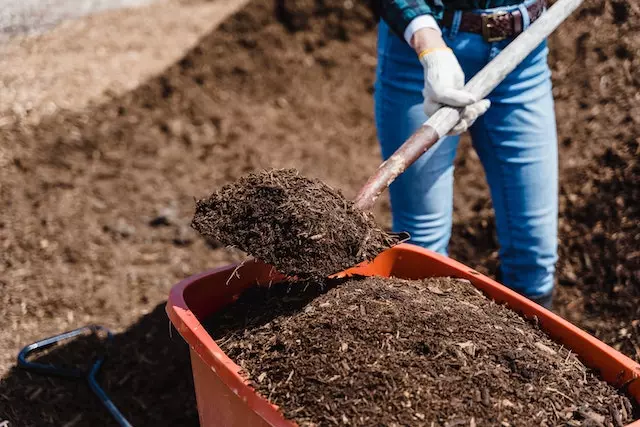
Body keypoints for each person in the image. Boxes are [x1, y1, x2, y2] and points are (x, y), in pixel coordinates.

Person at [373, 0, 557, 308]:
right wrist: (429, 45)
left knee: (535, 254)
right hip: (424, 51)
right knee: (423, 251)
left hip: (524, 50)